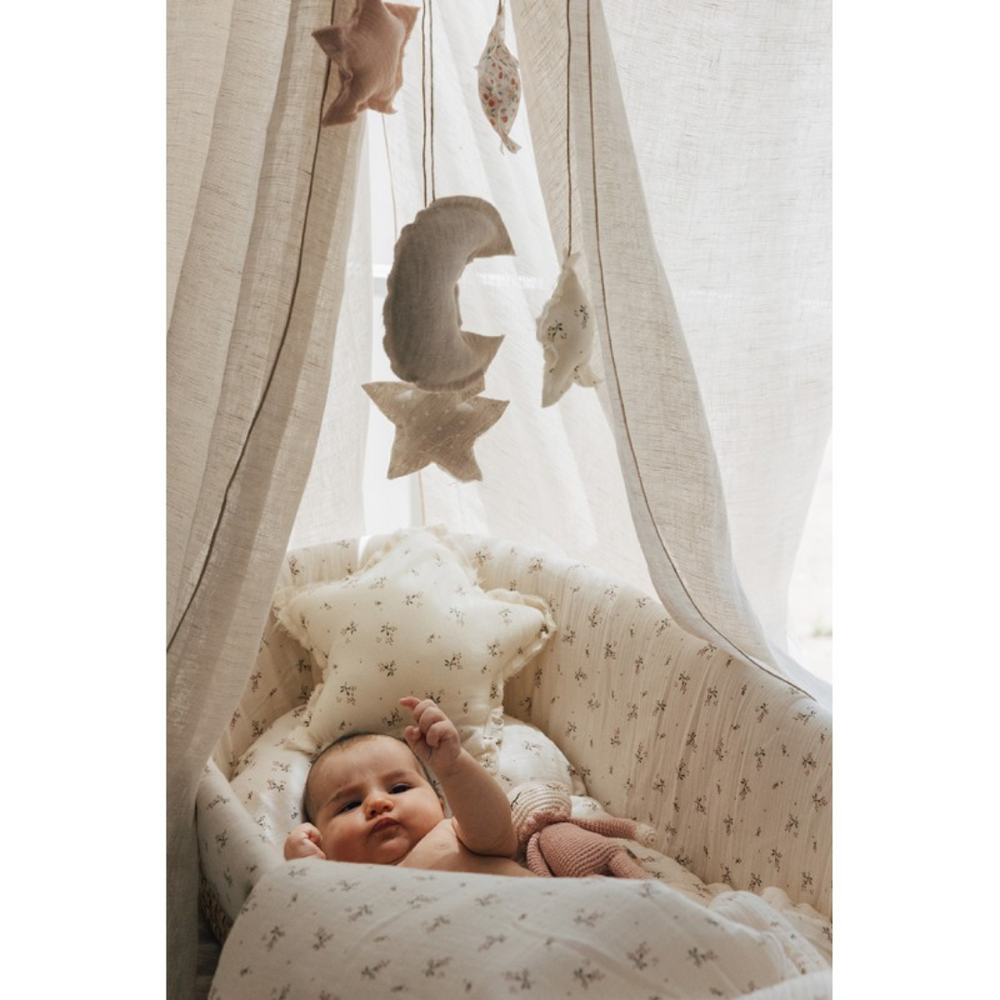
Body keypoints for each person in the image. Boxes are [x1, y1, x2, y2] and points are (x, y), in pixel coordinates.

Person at [283, 696, 535, 877]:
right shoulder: (341, 884)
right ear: (321, 843)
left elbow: (497, 832)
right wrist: (305, 872)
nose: (377, 803)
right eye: (350, 805)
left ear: (440, 806)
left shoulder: (456, 833)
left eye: (399, 789)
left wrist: (454, 766)